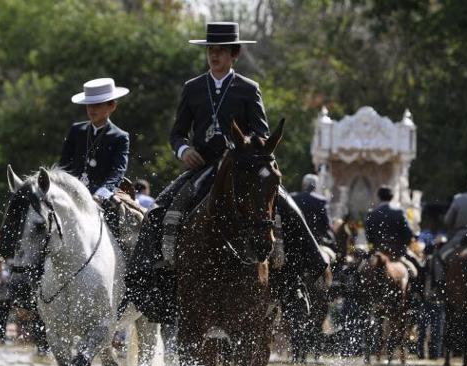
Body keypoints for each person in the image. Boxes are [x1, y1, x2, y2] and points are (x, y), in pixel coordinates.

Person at [126, 21, 327, 323]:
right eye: (210, 50)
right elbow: (178, 133)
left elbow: (262, 132)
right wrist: (184, 151)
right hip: (203, 167)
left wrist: (244, 148)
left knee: (288, 208)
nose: (214, 56)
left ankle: (297, 283)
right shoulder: (192, 88)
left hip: (242, 169)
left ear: (234, 54)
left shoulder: (249, 88)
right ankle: (150, 281)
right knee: (160, 210)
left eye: (220, 51)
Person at [59, 77, 130, 235]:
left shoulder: (120, 136)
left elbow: (118, 172)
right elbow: (64, 165)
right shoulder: (76, 130)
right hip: (72, 194)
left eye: (97, 104)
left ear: (112, 105)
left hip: (103, 198)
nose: (92, 109)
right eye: (89, 104)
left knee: (122, 230)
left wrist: (100, 195)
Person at [365, 186, 414, 260]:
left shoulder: (372, 214)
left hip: (378, 251)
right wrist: (403, 245)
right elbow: (408, 234)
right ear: (392, 197)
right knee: (417, 267)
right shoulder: (399, 212)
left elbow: (369, 236)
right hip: (397, 253)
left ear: (379, 197)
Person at [291, 174, 334, 245]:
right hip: (314, 241)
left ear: (303, 184)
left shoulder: (292, 197)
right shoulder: (321, 201)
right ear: (315, 186)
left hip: (293, 238)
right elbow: (326, 224)